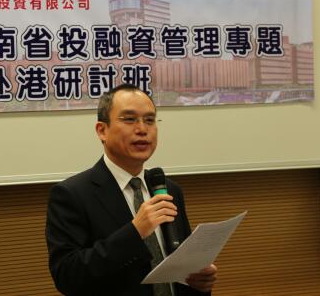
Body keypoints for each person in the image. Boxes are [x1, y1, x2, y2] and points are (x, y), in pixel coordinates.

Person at [46, 83, 217, 296]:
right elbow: (67, 277)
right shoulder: (72, 194)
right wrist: (135, 232)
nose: (142, 129)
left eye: (149, 120)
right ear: (102, 130)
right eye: (129, 119)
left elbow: (180, 265)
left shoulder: (168, 189)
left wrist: (198, 283)